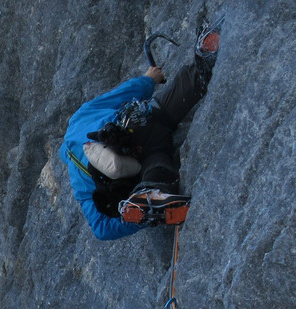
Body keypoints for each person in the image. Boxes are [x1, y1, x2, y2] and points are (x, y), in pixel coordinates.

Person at [59, 24, 220, 241]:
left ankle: (149, 197)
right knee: (171, 99)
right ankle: (203, 60)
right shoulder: (79, 118)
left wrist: (133, 221)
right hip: (134, 125)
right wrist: (149, 79)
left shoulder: (78, 179)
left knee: (157, 164)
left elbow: (100, 228)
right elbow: (123, 93)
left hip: (140, 156)